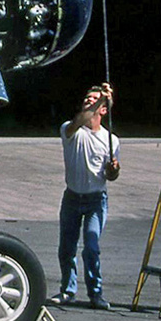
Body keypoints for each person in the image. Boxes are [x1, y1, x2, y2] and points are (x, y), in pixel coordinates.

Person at [56, 82, 120, 309]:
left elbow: (110, 176)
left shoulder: (111, 140)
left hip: (96, 200)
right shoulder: (70, 130)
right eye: (87, 97)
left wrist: (114, 169)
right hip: (72, 197)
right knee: (66, 248)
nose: (89, 100)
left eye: (94, 100)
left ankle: (96, 293)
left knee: (91, 247)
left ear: (104, 111)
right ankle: (67, 291)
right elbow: (82, 119)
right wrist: (104, 99)